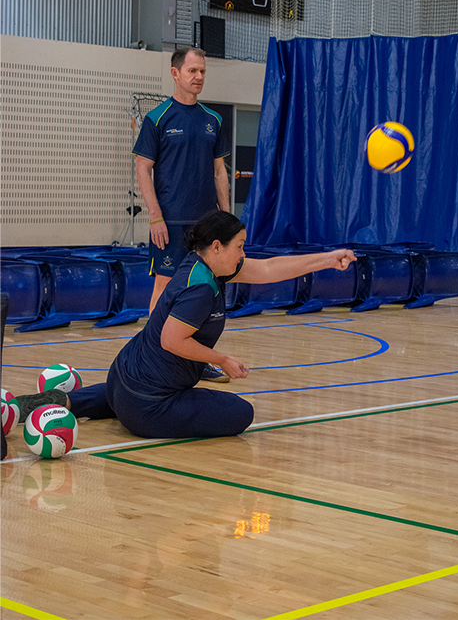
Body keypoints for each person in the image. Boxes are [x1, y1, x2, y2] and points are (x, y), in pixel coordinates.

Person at [16, 211, 357, 441]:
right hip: (147, 406)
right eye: (239, 247)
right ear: (217, 246)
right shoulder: (201, 287)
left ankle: (47, 403)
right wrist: (220, 360)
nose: (243, 254)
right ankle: (88, 404)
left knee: (134, 391)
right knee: (241, 413)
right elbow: (171, 340)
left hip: (122, 377)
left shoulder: (202, 264)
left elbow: (268, 270)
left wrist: (327, 260)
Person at [133, 47, 231, 382]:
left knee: (205, 288)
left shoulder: (213, 120)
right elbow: (143, 169)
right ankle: (153, 358)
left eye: (202, 71)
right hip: (170, 222)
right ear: (175, 74)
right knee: (164, 286)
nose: (199, 77)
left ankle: (197, 360)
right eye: (192, 71)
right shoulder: (157, 119)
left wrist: (227, 221)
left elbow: (220, 173)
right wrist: (156, 216)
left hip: (207, 224)